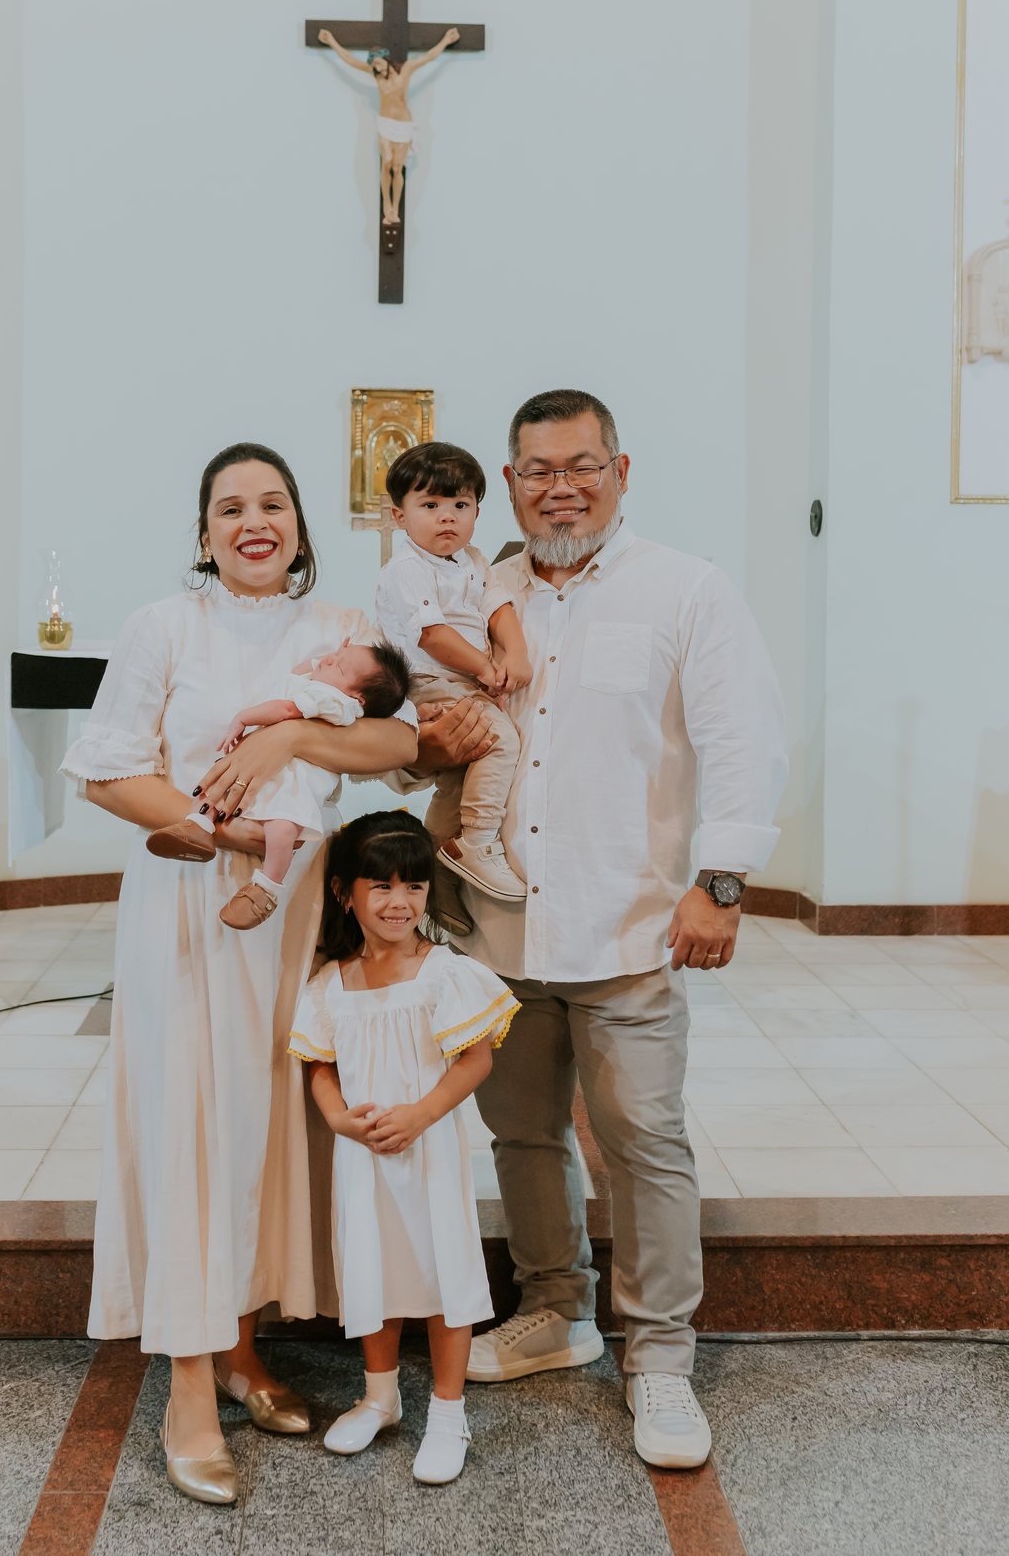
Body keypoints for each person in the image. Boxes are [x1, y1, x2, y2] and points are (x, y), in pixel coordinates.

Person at [397, 389, 788, 1471]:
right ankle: (555, 1310)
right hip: (496, 931)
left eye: (581, 464)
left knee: (642, 1140)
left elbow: (743, 735)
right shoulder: (479, 591)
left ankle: (660, 1354)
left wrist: (723, 879)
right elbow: (423, 725)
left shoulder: (685, 590)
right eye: (536, 469)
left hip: (629, 923)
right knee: (521, 1132)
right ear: (508, 482)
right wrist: (424, 743)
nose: (559, 485)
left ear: (622, 467)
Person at [60, 442, 417, 1506]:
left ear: (301, 525)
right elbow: (107, 768)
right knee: (190, 1133)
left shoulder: (340, 627)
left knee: (265, 1132)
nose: (253, 521)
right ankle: (183, 1384)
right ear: (205, 531)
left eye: (272, 503)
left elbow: (400, 740)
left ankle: (243, 1349)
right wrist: (230, 837)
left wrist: (291, 737)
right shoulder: (164, 627)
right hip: (192, 909)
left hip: (297, 915)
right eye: (230, 507)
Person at [290, 812, 519, 1485]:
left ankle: (448, 1414)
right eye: (381, 886)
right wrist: (337, 1119)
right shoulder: (331, 981)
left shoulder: (443, 973)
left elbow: (475, 1060)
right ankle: (380, 1396)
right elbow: (319, 1064)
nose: (399, 903)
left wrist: (420, 1114)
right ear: (344, 893)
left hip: (428, 1153)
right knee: (374, 1267)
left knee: (442, 1270)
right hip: (363, 1158)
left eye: (413, 887)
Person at [143, 637, 410, 929]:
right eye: (334, 654)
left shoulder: (336, 702)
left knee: (282, 828)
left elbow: (285, 710)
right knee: (217, 783)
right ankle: (197, 827)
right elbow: (300, 670)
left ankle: (267, 886)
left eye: (340, 666)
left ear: (359, 698)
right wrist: (338, 658)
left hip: (292, 782)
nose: (328, 659)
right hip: (267, 770)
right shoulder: (319, 684)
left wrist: (244, 718)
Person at [376, 441, 531, 902]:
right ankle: (477, 843)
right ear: (399, 516)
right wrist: (486, 667)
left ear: (477, 513)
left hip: (463, 678)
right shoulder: (406, 567)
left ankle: (436, 877)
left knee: (461, 776)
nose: (448, 516)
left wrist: (516, 652)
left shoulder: (473, 560)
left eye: (460, 505)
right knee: (500, 742)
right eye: (431, 505)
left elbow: (496, 606)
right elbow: (433, 636)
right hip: (428, 681)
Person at [317, 26, 460, 224]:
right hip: (385, 123)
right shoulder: (375, 75)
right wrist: (332, 42)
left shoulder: (406, 70)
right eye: (373, 65)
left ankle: (395, 208)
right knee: (386, 163)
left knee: (397, 166)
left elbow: (428, 57)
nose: (376, 68)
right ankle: (387, 206)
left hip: (403, 124)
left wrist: (445, 41)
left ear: (385, 58)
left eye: (378, 62)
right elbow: (350, 60)